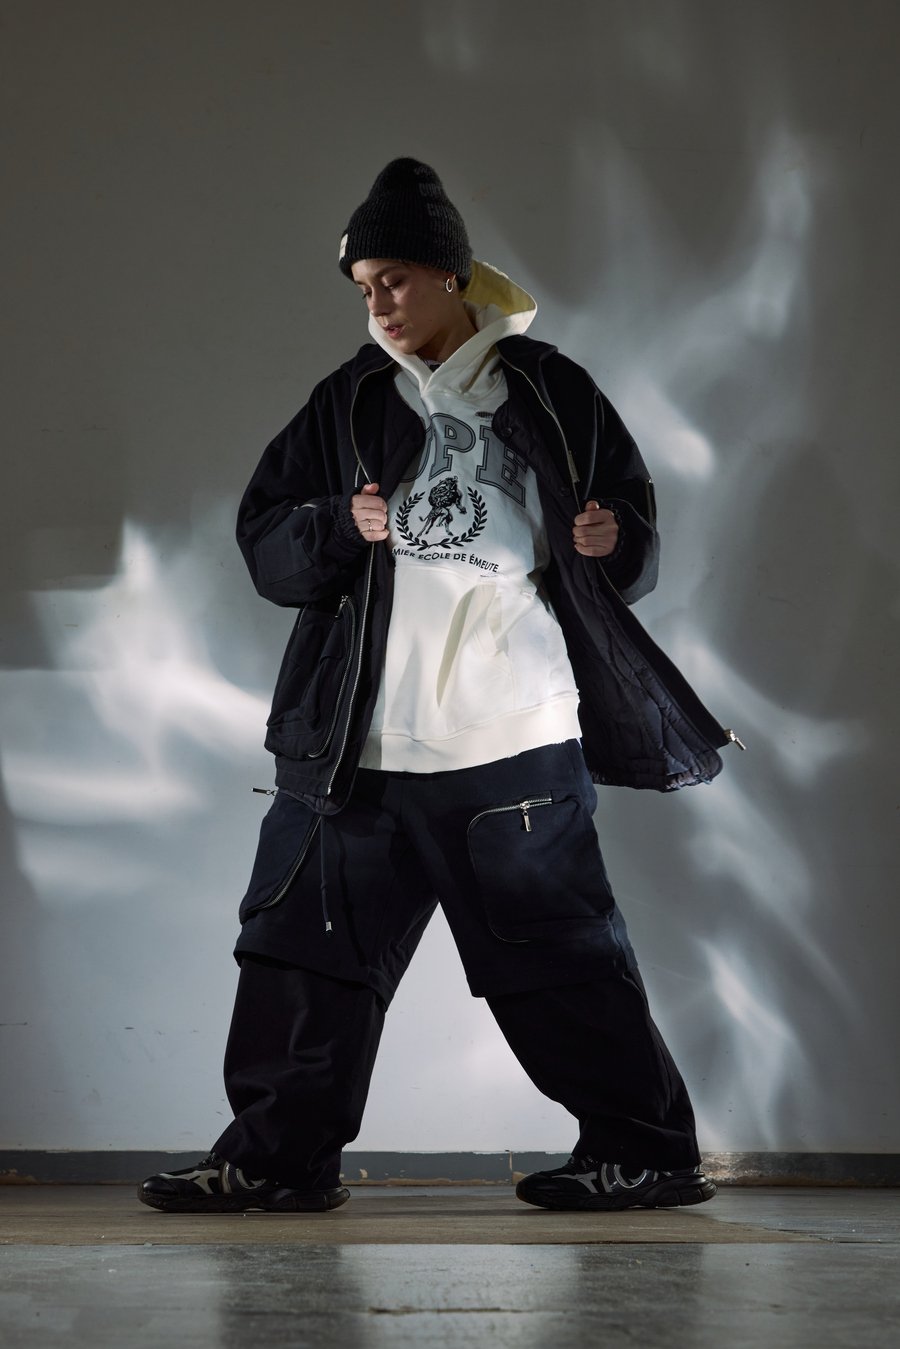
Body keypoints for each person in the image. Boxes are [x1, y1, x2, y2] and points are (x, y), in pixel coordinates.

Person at [139, 158, 733, 1215]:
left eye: (396, 279)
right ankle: (276, 1161)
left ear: (452, 274)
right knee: (301, 958)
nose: (378, 304)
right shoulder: (351, 400)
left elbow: (630, 531)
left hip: (511, 743)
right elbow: (265, 541)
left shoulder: (549, 388)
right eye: (364, 286)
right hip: (353, 745)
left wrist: (616, 538)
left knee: (559, 958)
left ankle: (646, 1152)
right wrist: (337, 525)